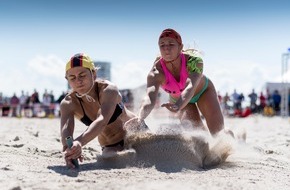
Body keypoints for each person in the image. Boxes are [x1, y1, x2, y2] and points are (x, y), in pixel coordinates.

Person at [136, 28, 226, 136]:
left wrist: (178, 105)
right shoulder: (156, 72)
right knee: (200, 137)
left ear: (180, 47)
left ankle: (231, 137)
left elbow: (190, 87)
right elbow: (150, 98)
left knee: (218, 134)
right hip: (179, 101)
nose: (166, 48)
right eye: (162, 45)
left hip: (203, 92)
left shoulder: (194, 61)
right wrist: (140, 117)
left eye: (171, 44)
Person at [60, 53, 139, 169]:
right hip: (111, 144)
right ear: (68, 80)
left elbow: (102, 120)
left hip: (137, 134)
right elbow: (65, 131)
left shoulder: (108, 89)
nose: (78, 81)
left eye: (82, 75)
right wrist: (70, 149)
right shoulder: (68, 103)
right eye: (72, 78)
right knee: (111, 160)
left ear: (93, 74)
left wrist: (80, 142)